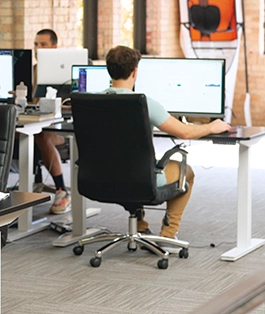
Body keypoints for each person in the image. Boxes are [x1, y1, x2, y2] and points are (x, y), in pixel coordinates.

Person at [102, 46, 232, 238]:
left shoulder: (91, 102)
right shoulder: (143, 103)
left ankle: (139, 225)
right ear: (135, 72)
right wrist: (211, 127)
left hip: (101, 178)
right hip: (141, 179)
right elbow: (185, 132)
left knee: (128, 165)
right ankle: (168, 234)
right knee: (186, 172)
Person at [32, 28, 70, 214]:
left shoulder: (66, 69)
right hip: (34, 123)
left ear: (54, 47)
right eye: (36, 44)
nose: (38, 48)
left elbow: (70, 103)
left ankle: (61, 190)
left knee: (42, 135)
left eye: (43, 44)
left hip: (59, 128)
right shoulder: (34, 70)